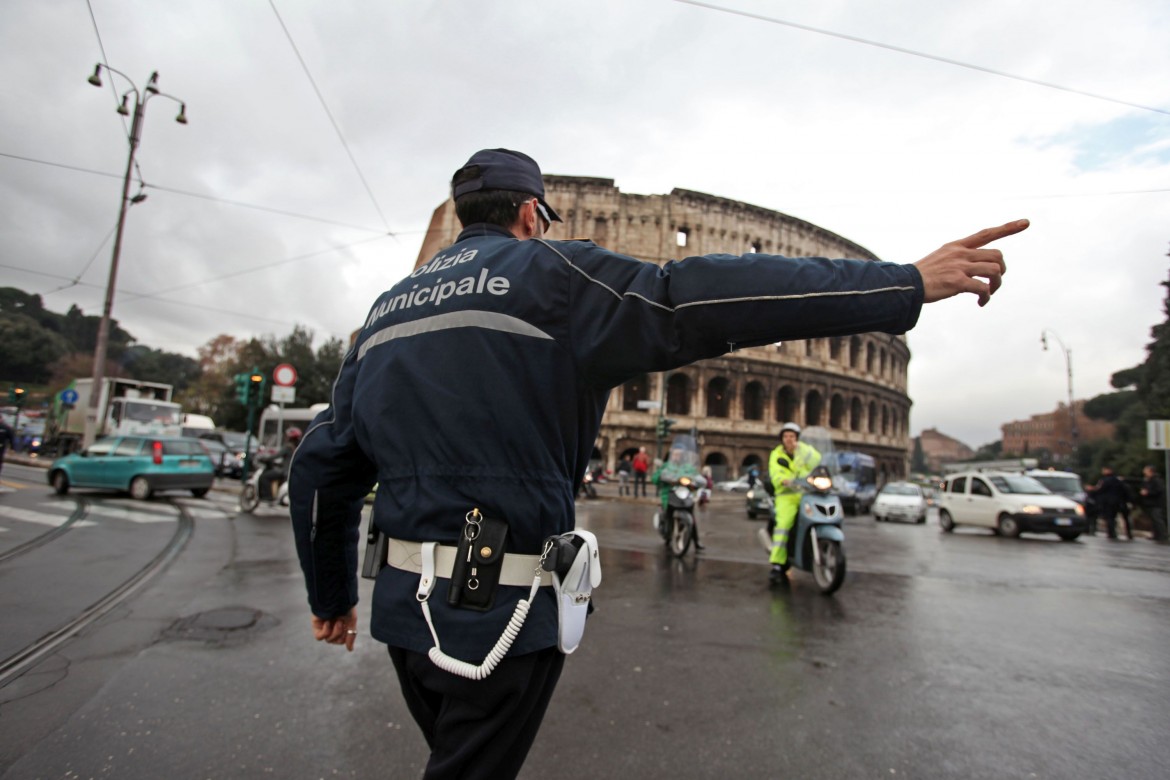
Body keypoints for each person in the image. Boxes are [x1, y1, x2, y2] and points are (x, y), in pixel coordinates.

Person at [289, 146, 1026, 779]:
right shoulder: (555, 279)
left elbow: (321, 470)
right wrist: (904, 284)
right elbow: (709, 296)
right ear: (529, 217)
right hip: (502, 613)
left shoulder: (384, 315)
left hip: (403, 616)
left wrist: (329, 597)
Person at [767, 422, 821, 584]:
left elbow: (817, 460)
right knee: (783, 525)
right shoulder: (776, 454)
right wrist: (782, 481)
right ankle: (777, 563)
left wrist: (801, 447)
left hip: (806, 494)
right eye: (786, 436)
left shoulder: (803, 451)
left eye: (792, 436)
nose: (789, 439)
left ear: (797, 438)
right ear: (781, 439)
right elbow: (774, 472)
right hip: (786, 496)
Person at [651, 436, 704, 549]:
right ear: (672, 454)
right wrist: (661, 477)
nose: (677, 456)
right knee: (668, 513)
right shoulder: (667, 466)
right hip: (669, 493)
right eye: (675, 454)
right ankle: (667, 533)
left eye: (680, 454)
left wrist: (700, 481)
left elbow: (697, 476)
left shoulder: (688, 467)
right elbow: (655, 478)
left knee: (691, 515)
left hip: (685, 494)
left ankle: (696, 541)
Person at [1088, 466, 1131, 540]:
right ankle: (1128, 534)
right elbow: (1125, 490)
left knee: (1110, 518)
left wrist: (1092, 489)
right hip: (1118, 502)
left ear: (1108, 470)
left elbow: (1100, 489)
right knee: (1116, 517)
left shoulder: (1105, 480)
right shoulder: (1118, 480)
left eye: (1104, 470)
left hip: (1108, 502)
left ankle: (1112, 533)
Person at [259, 427, 301, 500]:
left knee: (265, 477)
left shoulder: (288, 447)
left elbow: (277, 455)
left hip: (285, 472)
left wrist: (265, 458)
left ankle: (268, 497)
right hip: (294, 472)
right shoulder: (299, 447)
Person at [1139, 465, 1167, 542]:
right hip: (1150, 503)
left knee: (1158, 519)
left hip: (1156, 503)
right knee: (1153, 520)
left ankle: (1163, 536)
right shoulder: (1148, 480)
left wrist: (1148, 492)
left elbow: (1159, 490)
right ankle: (1156, 535)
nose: (1144, 471)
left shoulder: (1156, 480)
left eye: (1145, 470)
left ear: (1150, 471)